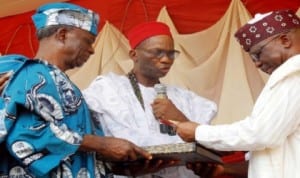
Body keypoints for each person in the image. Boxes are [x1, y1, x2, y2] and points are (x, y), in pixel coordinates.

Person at [0, 2, 152, 177]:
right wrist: (102, 144)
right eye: (88, 41)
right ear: (62, 35)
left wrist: (126, 169)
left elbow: (72, 155)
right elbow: (27, 135)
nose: (92, 50)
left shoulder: (63, 83)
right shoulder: (33, 74)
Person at [171, 9, 300, 178]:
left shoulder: (293, 73)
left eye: (257, 54)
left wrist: (199, 132)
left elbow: (260, 134)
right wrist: (223, 164)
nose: (257, 64)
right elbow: (271, 151)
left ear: (284, 40)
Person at [82, 21, 218, 178]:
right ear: (134, 55)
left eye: (171, 54)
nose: (166, 59)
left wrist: (179, 118)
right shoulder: (108, 89)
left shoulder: (184, 97)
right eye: (157, 52)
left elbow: (207, 143)